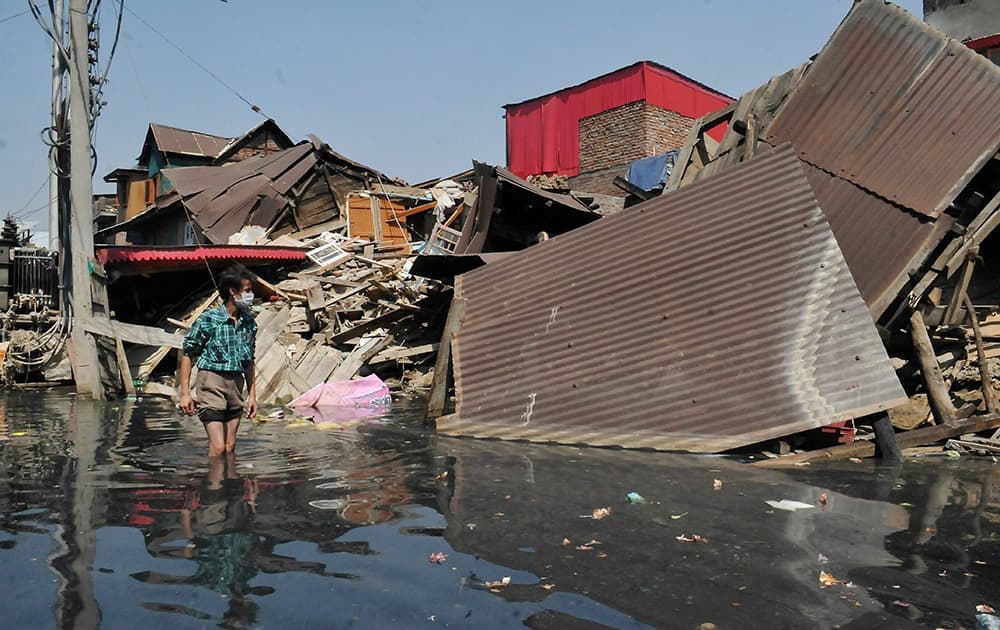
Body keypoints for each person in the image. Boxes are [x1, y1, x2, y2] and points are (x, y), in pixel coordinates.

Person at [179, 266, 258, 456]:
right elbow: (188, 354)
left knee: (230, 447)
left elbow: (249, 361)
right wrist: (185, 394)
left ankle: (230, 484)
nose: (251, 295)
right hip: (211, 381)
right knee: (218, 446)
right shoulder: (209, 319)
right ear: (233, 291)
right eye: (247, 291)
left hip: (236, 384)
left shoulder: (249, 323)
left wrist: (252, 395)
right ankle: (213, 484)